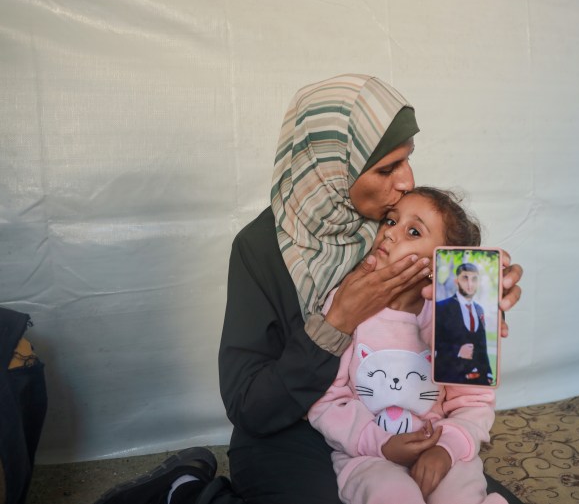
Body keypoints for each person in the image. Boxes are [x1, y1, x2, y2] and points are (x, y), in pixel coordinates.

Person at [94, 74, 523, 504]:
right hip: (292, 425)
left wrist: (478, 299)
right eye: (387, 168)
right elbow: (250, 406)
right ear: (332, 168)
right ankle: (185, 490)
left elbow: (454, 320)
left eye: (408, 159)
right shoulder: (260, 248)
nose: (407, 181)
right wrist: (338, 322)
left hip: (406, 426)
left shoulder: (390, 225)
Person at [308, 187, 506, 504]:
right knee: (394, 494)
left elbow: (473, 402)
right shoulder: (348, 303)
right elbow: (326, 398)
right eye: (390, 221)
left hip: (440, 450)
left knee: (462, 496)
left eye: (413, 231)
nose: (390, 235)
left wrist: (446, 450)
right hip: (368, 457)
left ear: (440, 262)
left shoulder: (452, 318)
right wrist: (381, 444)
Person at [434, 263, 494, 385]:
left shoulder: (479, 309)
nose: (470, 284)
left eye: (474, 279)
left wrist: (488, 373)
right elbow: (434, 344)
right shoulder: (441, 308)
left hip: (480, 381)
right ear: (456, 281)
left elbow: (483, 345)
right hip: (451, 378)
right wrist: (458, 351)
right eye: (465, 278)